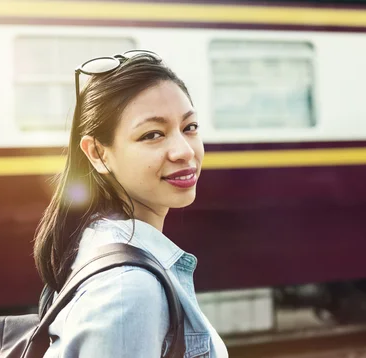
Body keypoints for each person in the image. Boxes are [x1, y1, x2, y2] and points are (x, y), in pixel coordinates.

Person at [33, 50, 228, 357]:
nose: (184, 151)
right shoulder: (128, 290)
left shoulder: (93, 241)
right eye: (152, 134)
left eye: (189, 127)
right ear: (97, 153)